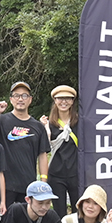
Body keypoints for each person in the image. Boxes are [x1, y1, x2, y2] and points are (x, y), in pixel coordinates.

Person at [0, 82, 49, 210]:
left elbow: (43, 155)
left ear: (30, 100)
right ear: (11, 99)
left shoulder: (38, 127)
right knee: (4, 222)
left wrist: (43, 181)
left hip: (28, 184)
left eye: (24, 95)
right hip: (5, 184)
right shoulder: (2, 121)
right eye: (16, 95)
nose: (20, 99)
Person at [41, 84, 80, 215]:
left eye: (68, 98)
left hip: (76, 173)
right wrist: (45, 130)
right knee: (59, 212)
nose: (64, 101)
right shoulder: (48, 124)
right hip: (56, 174)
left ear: (73, 101)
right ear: (55, 100)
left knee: (79, 211)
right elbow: (44, 149)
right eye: (60, 98)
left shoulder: (80, 122)